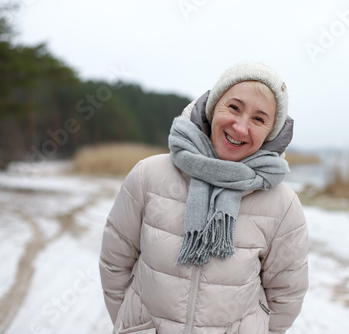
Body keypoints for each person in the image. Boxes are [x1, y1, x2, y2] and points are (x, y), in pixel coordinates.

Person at [99, 62, 309, 334]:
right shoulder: (147, 175)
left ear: (270, 131)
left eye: (259, 119)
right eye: (234, 107)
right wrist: (133, 325)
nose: (241, 127)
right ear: (213, 107)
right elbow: (115, 262)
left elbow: (287, 295)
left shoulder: (283, 204)